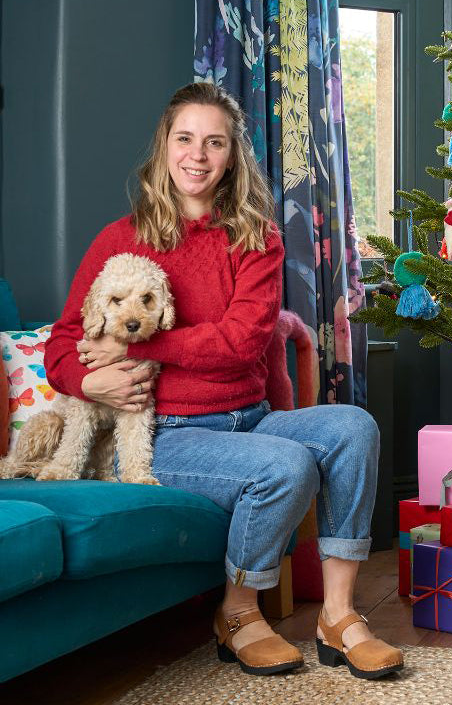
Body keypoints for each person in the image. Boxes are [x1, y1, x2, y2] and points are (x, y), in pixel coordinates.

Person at [44, 82, 403, 679]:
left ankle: (338, 616)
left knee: (353, 425)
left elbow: (240, 345)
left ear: (232, 155)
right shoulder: (118, 239)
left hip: (250, 417)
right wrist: (92, 384)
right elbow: (62, 346)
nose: (198, 155)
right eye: (185, 139)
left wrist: (137, 337)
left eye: (214, 143)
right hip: (167, 432)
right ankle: (238, 613)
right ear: (164, 146)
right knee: (285, 467)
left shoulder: (255, 236)